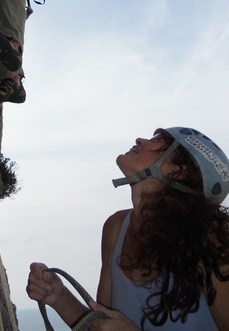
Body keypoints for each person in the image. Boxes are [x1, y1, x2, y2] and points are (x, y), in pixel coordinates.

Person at [27, 127, 229, 330]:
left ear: (177, 172)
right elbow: (102, 324)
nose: (140, 140)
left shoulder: (211, 245)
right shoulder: (115, 229)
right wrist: (59, 297)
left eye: (158, 141)